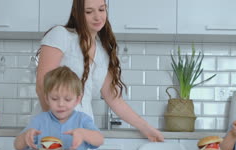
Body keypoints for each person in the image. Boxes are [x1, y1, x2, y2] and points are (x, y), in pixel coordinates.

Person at [36, 0, 163, 142]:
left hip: (84, 132)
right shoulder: (61, 35)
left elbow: (113, 98)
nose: (97, 17)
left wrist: (146, 127)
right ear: (77, 14)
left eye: (101, 10)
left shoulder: (102, 52)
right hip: (52, 132)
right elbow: (42, 85)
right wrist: (54, 126)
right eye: (89, 12)